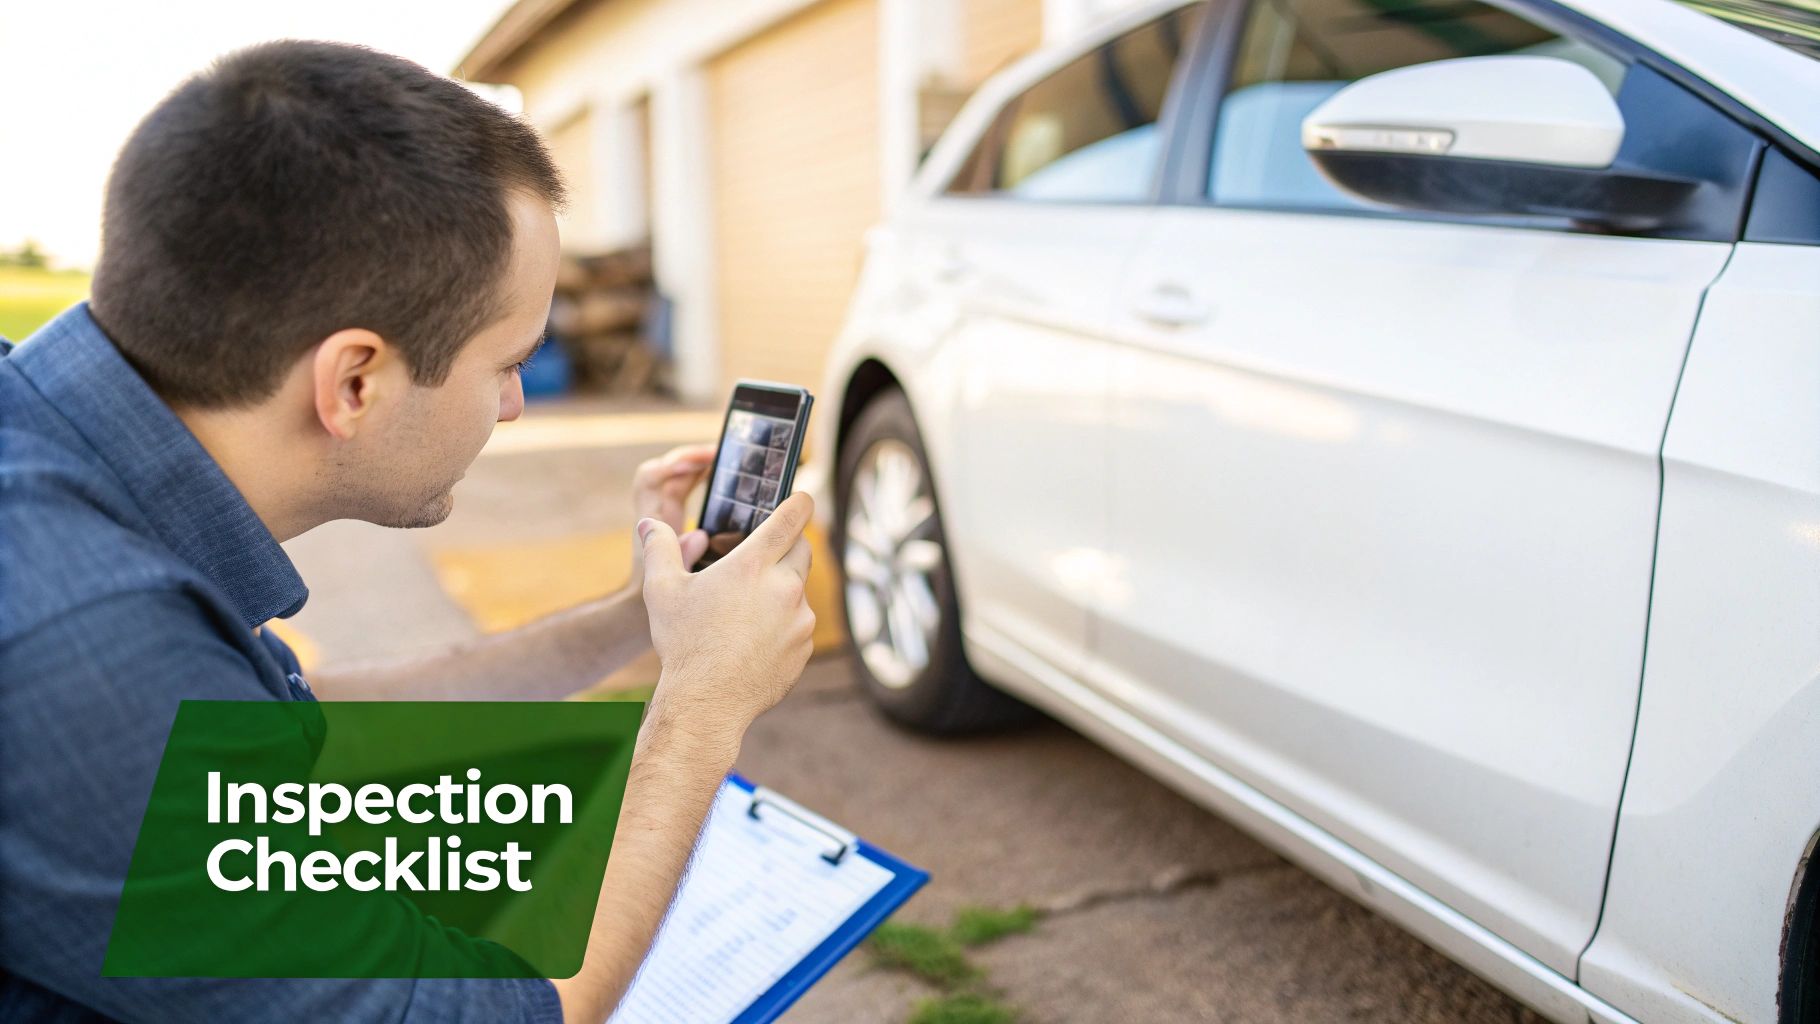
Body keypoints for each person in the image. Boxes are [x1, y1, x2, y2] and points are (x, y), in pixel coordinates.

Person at [0, 40, 815, 1023]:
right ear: (354, 381)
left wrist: (637, 617)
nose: (514, 404)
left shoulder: (58, 465)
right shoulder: (79, 637)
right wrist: (702, 708)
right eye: (505, 362)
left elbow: (276, 721)